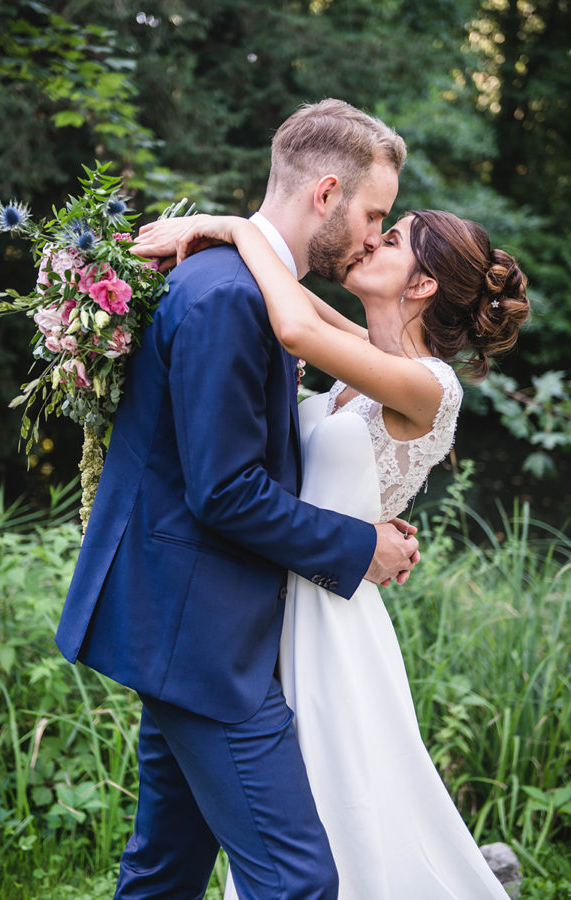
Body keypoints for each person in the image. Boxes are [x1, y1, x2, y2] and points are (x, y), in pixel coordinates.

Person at [55, 98, 421, 900]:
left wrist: (232, 227)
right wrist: (361, 550)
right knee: (294, 881)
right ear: (325, 192)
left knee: (164, 870)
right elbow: (225, 491)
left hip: (188, 621)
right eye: (372, 214)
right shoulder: (227, 297)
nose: (371, 235)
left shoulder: (246, 285)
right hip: (198, 635)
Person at [133, 207, 529, 898]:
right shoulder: (366, 360)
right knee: (283, 821)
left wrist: (231, 226)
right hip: (275, 603)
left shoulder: (432, 385)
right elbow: (302, 306)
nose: (373, 238)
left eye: (394, 236)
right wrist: (244, 236)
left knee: (336, 819)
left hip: (333, 627)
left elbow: (294, 325)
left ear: (421, 285)